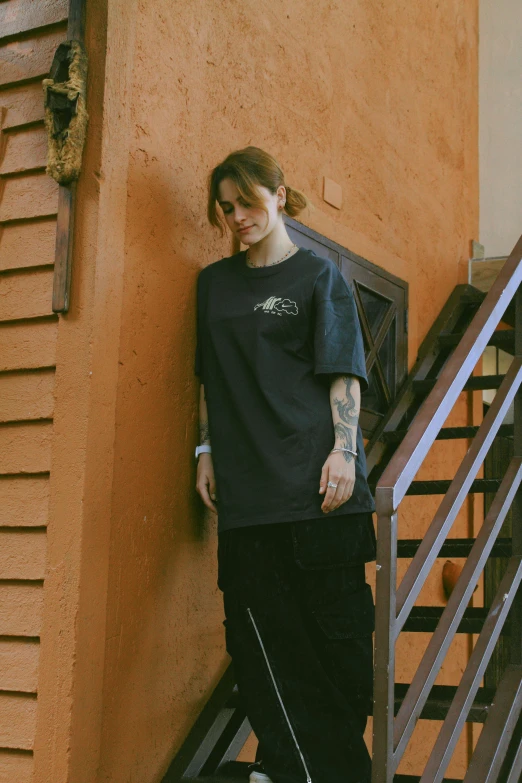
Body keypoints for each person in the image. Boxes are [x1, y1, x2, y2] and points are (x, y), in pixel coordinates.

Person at [195, 146, 376, 783]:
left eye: (247, 201)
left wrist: (344, 450)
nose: (237, 216)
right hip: (249, 503)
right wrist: (205, 450)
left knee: (340, 658)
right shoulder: (213, 285)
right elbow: (210, 380)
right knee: (262, 657)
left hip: (323, 497)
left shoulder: (318, 278)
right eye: (226, 208)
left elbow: (343, 375)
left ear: (278, 193)